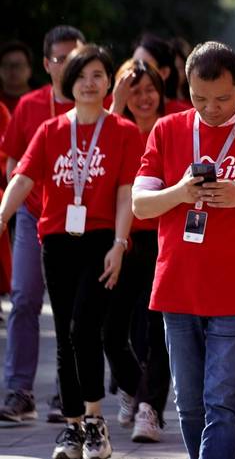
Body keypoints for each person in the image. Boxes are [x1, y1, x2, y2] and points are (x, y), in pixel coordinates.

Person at [132, 41, 235, 459]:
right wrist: (180, 192)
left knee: (222, 403)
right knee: (189, 403)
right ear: (187, 86)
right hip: (177, 288)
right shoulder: (168, 130)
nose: (211, 108)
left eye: (223, 98)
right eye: (199, 98)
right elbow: (140, 204)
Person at [0, 44, 143, 459]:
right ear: (68, 82)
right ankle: (72, 429)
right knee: (65, 335)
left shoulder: (123, 131)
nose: (89, 83)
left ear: (108, 82)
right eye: (81, 76)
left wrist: (120, 244)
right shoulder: (50, 131)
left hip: (101, 241)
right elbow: (23, 178)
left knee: (85, 328)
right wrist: (3, 216)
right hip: (58, 241)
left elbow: (124, 193)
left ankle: (97, 422)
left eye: (98, 75)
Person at [0, 24, 85, 424]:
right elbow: (13, 160)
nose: (67, 66)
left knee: (74, 308)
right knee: (24, 299)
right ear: (46, 63)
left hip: (82, 219)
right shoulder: (30, 106)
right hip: (36, 215)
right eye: (59, 59)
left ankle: (69, 394)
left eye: (75, 58)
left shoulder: (94, 107)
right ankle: (20, 390)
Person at [103, 59, 171, 443]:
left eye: (150, 90)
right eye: (134, 90)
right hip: (120, 240)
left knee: (159, 328)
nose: (143, 98)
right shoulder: (114, 127)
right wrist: (114, 105)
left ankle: (150, 409)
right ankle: (132, 387)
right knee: (110, 330)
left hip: (163, 238)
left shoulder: (173, 124)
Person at [133, 33, 191, 113]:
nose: (136, 72)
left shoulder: (183, 115)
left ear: (164, 72)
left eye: (144, 67)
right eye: (133, 65)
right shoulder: (122, 106)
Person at [0, 40, 35, 112]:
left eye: (18, 65)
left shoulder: (41, 101)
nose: (13, 69)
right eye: (7, 64)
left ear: (30, 70)